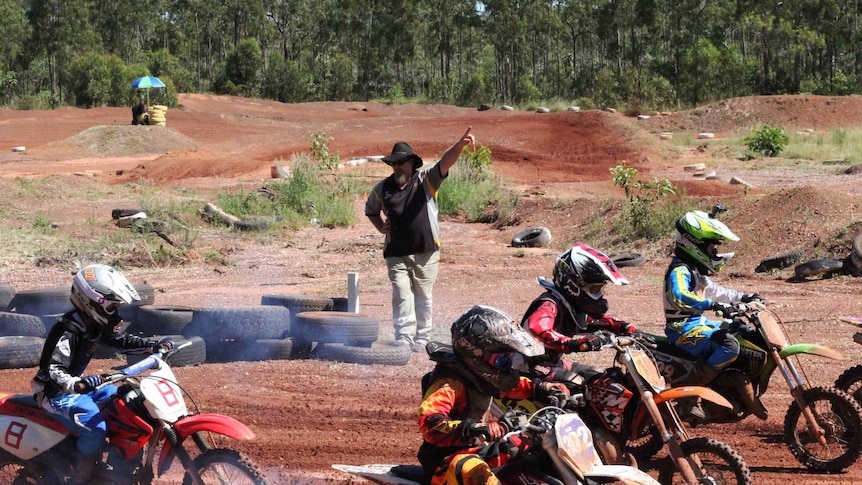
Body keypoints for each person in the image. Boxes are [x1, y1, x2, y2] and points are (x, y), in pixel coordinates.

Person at [31, 264, 173, 485]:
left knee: (125, 402)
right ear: (92, 302)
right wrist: (77, 384)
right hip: (53, 393)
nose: (116, 314)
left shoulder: (94, 326)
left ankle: (120, 464)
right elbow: (53, 370)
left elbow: (121, 341)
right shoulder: (67, 330)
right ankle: (80, 478)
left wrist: (153, 346)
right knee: (96, 429)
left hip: (78, 388)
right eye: (112, 307)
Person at [418, 305, 570, 485]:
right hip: (447, 462)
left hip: (477, 448)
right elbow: (430, 424)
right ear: (476, 354)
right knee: (473, 470)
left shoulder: (480, 375)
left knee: (530, 446)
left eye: (511, 359)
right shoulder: (449, 383)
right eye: (503, 360)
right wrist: (482, 429)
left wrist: (542, 388)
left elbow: (512, 386)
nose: (509, 365)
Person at [365, 127, 475, 352]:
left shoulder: (426, 180)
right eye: (394, 163)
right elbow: (371, 211)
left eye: (402, 162)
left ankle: (422, 337)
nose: (397, 167)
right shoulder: (382, 188)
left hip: (426, 252)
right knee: (401, 293)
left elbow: (445, 162)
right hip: (396, 253)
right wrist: (381, 228)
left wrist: (460, 144)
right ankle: (404, 337)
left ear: (412, 163)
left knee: (423, 296)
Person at [664, 210, 765, 419]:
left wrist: (743, 298)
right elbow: (679, 296)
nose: (715, 251)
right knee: (729, 346)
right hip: (682, 329)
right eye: (711, 247)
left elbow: (718, 291)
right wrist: (713, 304)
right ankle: (688, 396)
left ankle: (730, 382)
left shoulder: (694, 270)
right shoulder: (679, 271)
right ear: (694, 244)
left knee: (741, 331)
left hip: (698, 323)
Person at [520, 242, 633, 384]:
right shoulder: (550, 304)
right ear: (574, 283)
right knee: (576, 385)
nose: (599, 295)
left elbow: (590, 320)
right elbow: (536, 328)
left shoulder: (570, 305)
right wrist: (575, 343)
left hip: (552, 363)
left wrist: (621, 326)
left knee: (600, 381)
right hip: (528, 367)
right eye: (594, 289)